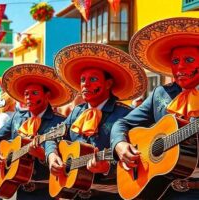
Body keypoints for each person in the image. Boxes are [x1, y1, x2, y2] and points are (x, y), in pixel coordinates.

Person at [111, 17, 199, 199]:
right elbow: (122, 122)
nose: (180, 66)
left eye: (189, 59)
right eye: (175, 62)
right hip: (161, 191)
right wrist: (119, 144)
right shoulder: (161, 93)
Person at [48, 43, 147, 199]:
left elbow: (141, 156)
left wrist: (108, 167)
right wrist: (52, 155)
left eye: (93, 79)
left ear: (108, 84)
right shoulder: (76, 112)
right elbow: (52, 137)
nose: (85, 84)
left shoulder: (126, 115)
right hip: (74, 193)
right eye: (82, 80)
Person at [0, 63, 75, 200]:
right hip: (21, 189)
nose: (28, 97)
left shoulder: (60, 123)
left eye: (34, 93)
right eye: (26, 94)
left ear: (47, 95)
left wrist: (43, 155)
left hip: (47, 191)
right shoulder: (17, 118)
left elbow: (67, 158)